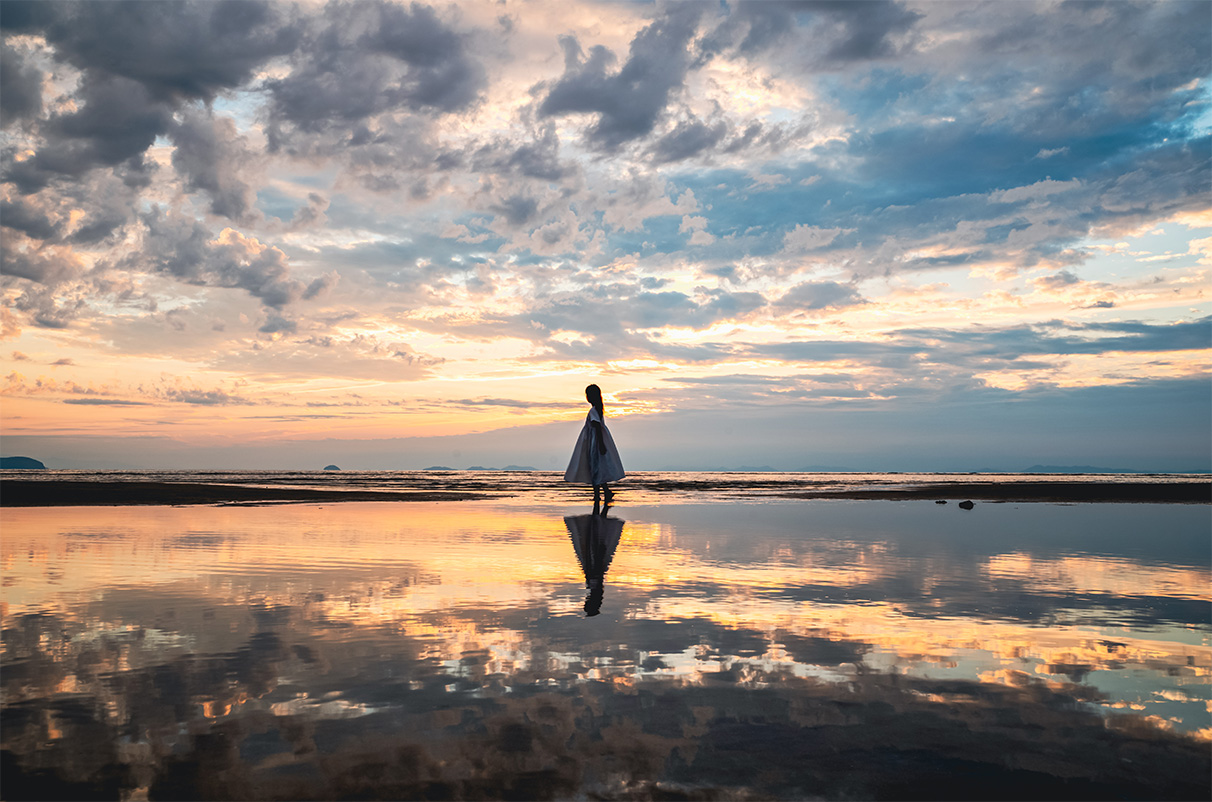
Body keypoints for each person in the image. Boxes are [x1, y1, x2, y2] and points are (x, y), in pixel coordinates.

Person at [564, 384, 625, 505]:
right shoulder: (597, 410)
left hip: (594, 442)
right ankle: (606, 492)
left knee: (595, 467)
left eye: (588, 394)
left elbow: (597, 427)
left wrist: (600, 444)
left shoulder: (593, 411)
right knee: (597, 467)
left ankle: (597, 494)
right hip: (595, 441)